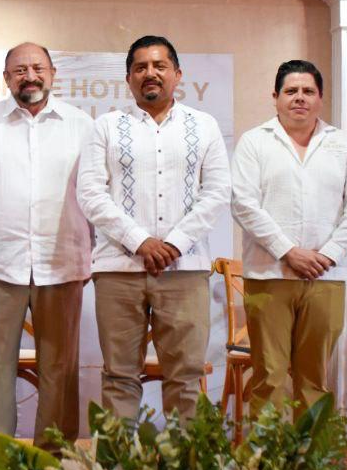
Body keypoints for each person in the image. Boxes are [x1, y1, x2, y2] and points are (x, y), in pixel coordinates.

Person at [0, 42, 93, 470]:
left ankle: (55, 458)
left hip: (62, 262)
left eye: (37, 68)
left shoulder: (81, 126)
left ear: (52, 73)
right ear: (6, 77)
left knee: (60, 367)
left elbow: (96, 195)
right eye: (19, 70)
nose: (29, 76)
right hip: (0, 264)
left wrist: (89, 253)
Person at [77, 35, 231, 421]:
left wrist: (174, 243)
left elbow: (216, 192)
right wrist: (140, 241)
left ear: (177, 74)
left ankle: (184, 460)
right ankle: (117, 460)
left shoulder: (204, 126)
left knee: (186, 376)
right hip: (118, 269)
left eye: (160, 66)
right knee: (119, 376)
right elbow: (91, 193)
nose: (150, 73)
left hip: (186, 269)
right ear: (128, 78)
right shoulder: (106, 127)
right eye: (141, 67)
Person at [231, 60, 347, 413]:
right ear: (275, 97)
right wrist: (288, 250)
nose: (299, 98)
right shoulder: (254, 142)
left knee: (315, 379)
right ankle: (269, 451)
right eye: (291, 91)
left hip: (326, 275)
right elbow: (243, 204)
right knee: (269, 377)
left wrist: (330, 253)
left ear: (320, 98)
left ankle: (311, 451)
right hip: (268, 274)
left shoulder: (342, 145)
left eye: (308, 91)